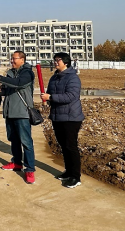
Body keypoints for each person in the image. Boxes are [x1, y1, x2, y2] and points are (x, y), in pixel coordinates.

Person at [0, 50, 37, 184]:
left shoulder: (27, 73)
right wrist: (1, 91)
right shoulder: (10, 73)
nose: (12, 61)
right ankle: (17, 162)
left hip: (22, 113)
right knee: (14, 140)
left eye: (14, 58)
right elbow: (9, 89)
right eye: (11, 58)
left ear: (22, 60)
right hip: (10, 112)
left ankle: (30, 169)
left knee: (26, 142)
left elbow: (19, 83)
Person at [41, 52, 85, 189]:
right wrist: (47, 100)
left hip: (71, 117)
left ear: (66, 62)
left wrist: (50, 97)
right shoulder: (54, 77)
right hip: (57, 116)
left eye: (58, 60)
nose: (55, 62)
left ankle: (75, 177)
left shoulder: (73, 78)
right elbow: (50, 93)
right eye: (54, 60)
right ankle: (68, 171)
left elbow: (71, 96)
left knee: (70, 146)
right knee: (63, 146)